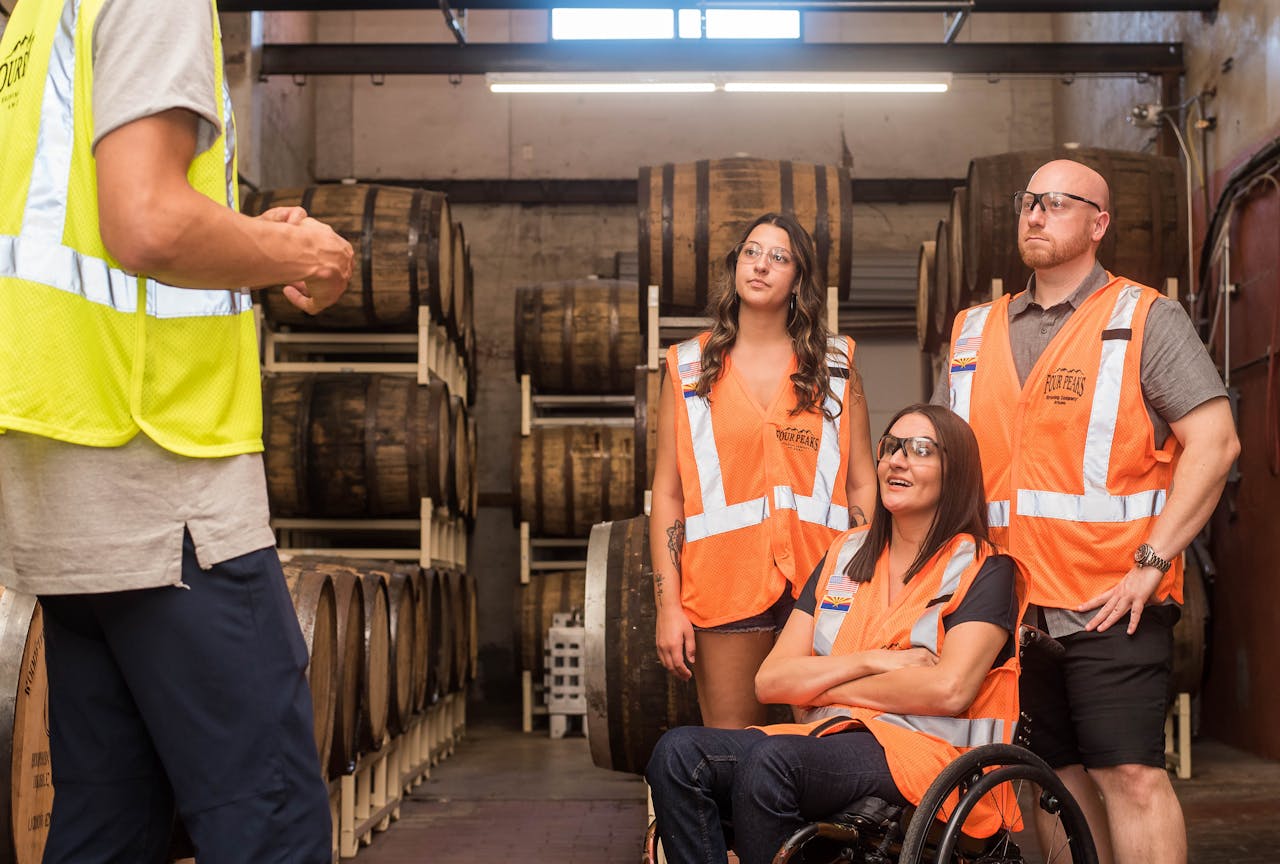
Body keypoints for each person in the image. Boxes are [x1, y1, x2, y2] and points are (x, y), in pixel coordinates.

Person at [0, 1, 355, 861]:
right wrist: (307, 256)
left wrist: (237, 238)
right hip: (158, 465)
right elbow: (148, 221)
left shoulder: (34, 20)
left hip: (59, 457)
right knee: (269, 821)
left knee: (106, 824)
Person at [933, 159, 1240, 864]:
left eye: (1058, 204)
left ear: (1099, 225)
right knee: (1049, 783)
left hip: (1112, 600)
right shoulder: (973, 331)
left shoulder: (1143, 318)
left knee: (1129, 775)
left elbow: (1215, 444)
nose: (1035, 215)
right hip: (1009, 608)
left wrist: (1151, 563)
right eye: (1028, 202)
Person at [646, 404, 1026, 864]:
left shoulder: (986, 568)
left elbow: (948, 689)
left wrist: (825, 684)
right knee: (677, 754)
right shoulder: (845, 553)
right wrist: (875, 662)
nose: (897, 460)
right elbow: (771, 682)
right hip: (829, 739)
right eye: (891, 447)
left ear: (957, 472)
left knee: (773, 763)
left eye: (921, 450)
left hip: (925, 756)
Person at [649, 212, 878, 729]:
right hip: (723, 584)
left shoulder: (836, 365)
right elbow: (666, 492)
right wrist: (668, 605)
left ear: (798, 279)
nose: (761, 265)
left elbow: (863, 478)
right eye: (752, 252)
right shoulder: (688, 367)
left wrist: (866, 579)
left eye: (779, 257)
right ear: (735, 267)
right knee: (730, 753)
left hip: (822, 586)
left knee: (824, 753)